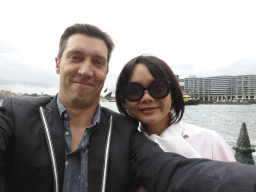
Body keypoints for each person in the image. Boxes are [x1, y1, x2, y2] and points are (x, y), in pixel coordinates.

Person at [1, 24, 256, 192]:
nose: (86, 70)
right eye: (76, 57)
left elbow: (169, 170)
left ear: (106, 72)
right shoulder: (15, 114)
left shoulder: (124, 132)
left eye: (98, 62)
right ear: (58, 63)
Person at [115, 55, 236, 162]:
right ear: (124, 99)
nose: (146, 98)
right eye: (134, 90)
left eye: (158, 88)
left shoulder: (210, 141)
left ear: (172, 94)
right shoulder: (122, 150)